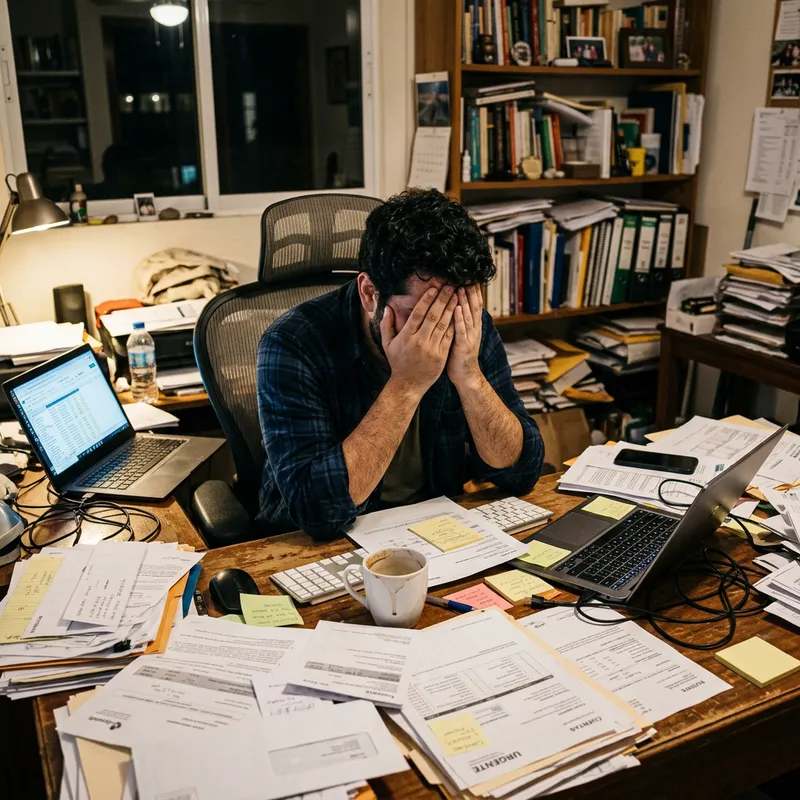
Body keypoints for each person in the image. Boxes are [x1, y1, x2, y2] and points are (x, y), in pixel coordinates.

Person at [256, 188, 545, 539]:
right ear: (369, 293)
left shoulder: (466, 325)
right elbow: (316, 511)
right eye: (422, 315)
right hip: (317, 544)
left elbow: (522, 470)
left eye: (454, 310)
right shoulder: (293, 343)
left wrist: (469, 377)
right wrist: (406, 384)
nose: (442, 331)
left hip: (436, 530)